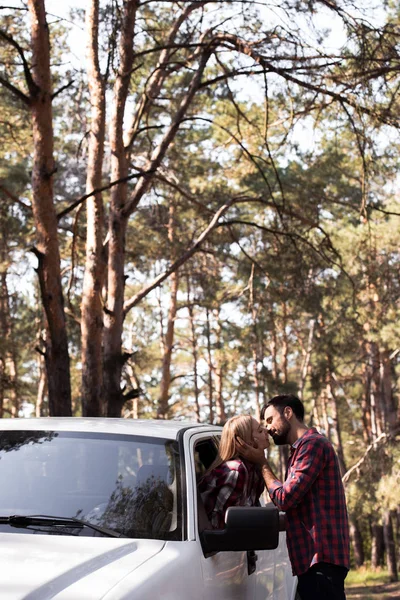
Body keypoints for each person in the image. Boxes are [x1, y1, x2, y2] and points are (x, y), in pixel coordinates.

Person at [237, 394, 350, 600]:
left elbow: (285, 499)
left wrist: (262, 463)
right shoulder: (299, 451)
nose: (268, 428)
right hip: (313, 562)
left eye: (270, 420)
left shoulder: (312, 445)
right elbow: (294, 507)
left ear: (288, 413)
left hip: (321, 561)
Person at [198, 414, 269, 529]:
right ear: (246, 442)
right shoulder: (235, 471)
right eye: (260, 431)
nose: (267, 430)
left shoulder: (255, 468)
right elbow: (220, 525)